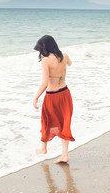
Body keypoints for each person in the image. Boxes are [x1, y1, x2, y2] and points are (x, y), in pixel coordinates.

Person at [33, 35, 75, 164]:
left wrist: (35, 97)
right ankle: (64, 155)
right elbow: (70, 64)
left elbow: (44, 83)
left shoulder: (46, 61)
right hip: (65, 93)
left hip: (52, 97)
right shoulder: (65, 56)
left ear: (45, 47)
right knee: (64, 123)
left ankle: (43, 148)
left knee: (46, 121)